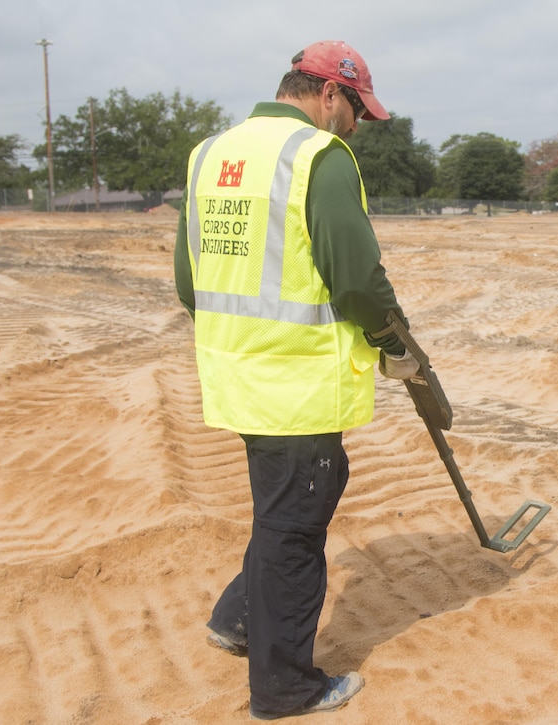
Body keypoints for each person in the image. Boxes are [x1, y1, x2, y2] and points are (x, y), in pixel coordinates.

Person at [173, 40, 420, 720]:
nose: (355, 129)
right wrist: (387, 339)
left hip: (238, 376)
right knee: (295, 530)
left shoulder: (209, 156)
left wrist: (243, 337)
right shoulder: (318, 157)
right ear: (328, 94)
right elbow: (357, 279)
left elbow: (188, 281)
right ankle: (285, 688)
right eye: (356, 113)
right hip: (300, 384)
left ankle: (237, 619)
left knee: (285, 506)